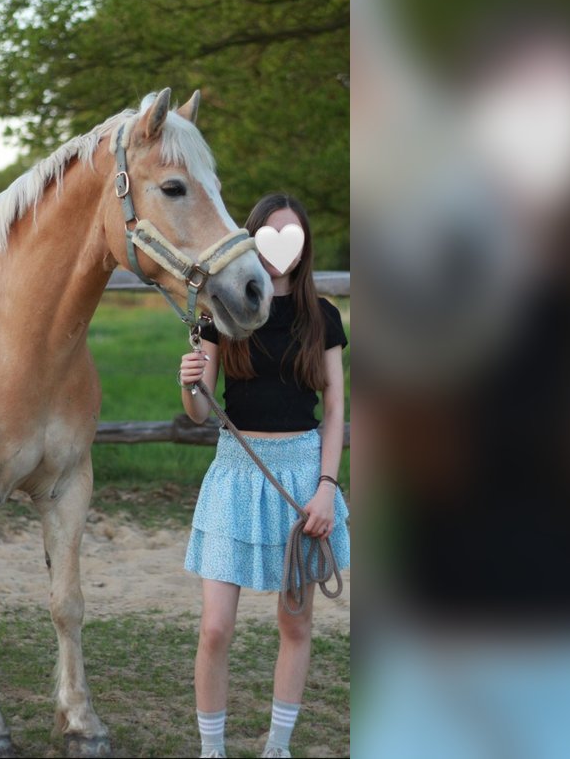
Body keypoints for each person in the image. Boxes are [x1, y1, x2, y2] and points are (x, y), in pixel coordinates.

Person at [179, 193, 350, 759]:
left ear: (304, 248)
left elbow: (335, 412)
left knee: (295, 626)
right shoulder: (220, 312)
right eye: (272, 234)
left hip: (302, 479)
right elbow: (199, 411)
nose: (283, 249)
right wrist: (190, 382)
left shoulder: (321, 317)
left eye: (293, 237)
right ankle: (213, 750)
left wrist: (327, 487)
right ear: (251, 238)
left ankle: (277, 747)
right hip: (236, 473)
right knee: (214, 629)